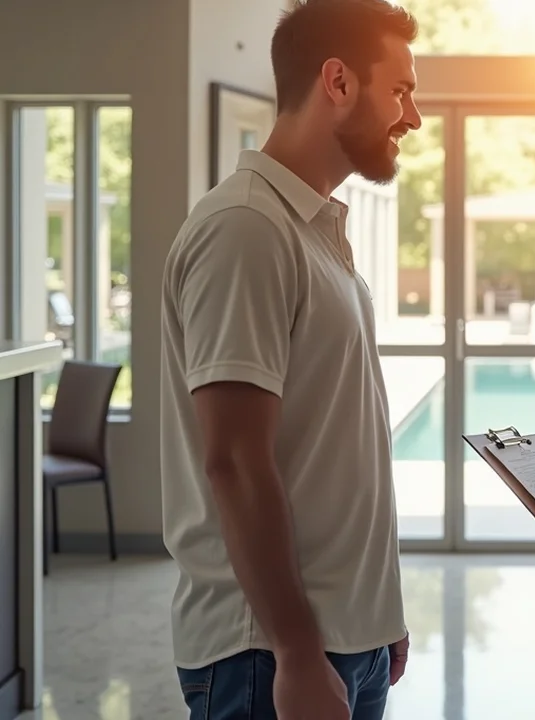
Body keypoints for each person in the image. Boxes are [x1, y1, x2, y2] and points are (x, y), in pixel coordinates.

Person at [159, 1, 422, 718]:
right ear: (337, 82)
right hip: (267, 656)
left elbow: (336, 445)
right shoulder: (246, 229)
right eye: (400, 89)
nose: (412, 117)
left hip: (342, 639)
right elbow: (235, 462)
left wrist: (376, 611)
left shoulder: (313, 233)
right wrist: (299, 652)